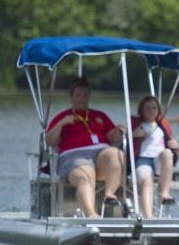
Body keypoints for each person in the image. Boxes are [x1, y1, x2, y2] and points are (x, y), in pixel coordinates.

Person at [45, 76, 124, 217]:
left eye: (85, 95)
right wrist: (62, 124)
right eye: (78, 95)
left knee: (116, 154)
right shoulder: (62, 117)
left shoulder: (100, 115)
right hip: (75, 156)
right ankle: (91, 214)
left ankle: (109, 195)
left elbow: (113, 137)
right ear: (72, 98)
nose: (82, 98)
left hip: (101, 153)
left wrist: (120, 131)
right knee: (85, 176)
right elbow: (50, 141)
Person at [129, 95, 179, 218]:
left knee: (167, 153)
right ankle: (148, 215)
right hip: (143, 160)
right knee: (147, 181)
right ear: (142, 111)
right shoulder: (137, 124)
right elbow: (126, 138)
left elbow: (170, 141)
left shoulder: (162, 125)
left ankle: (165, 194)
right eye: (147, 109)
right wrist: (133, 134)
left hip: (159, 160)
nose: (151, 111)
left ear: (158, 110)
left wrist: (175, 145)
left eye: (154, 108)